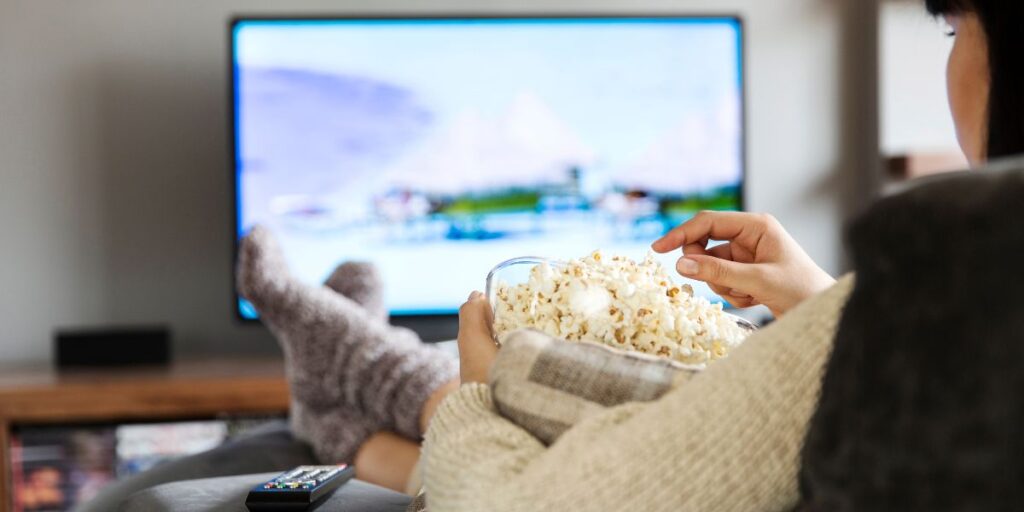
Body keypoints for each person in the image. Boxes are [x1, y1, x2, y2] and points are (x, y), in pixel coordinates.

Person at [236, 0, 1023, 508]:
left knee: (524, 388)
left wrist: (479, 392)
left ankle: (351, 365)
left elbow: (512, 506)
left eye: (956, 31)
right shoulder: (962, 307)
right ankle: (340, 409)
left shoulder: (949, 279)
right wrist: (828, 307)